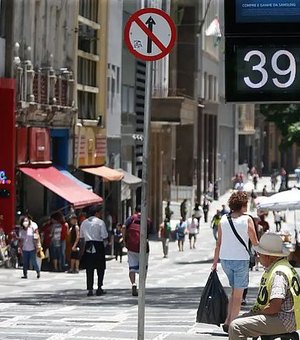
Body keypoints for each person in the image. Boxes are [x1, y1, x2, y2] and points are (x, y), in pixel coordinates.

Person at [229, 233, 300, 339]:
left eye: (259, 254)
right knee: (239, 320)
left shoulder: (278, 273)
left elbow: (274, 307)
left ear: (268, 256)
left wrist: (256, 314)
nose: (257, 257)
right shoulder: (284, 266)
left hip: (283, 320)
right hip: (289, 317)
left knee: (236, 326)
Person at [212, 191, 259, 333]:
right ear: (243, 205)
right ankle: (232, 325)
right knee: (238, 295)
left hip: (225, 260)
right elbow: (255, 241)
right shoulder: (247, 220)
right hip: (240, 260)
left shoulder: (223, 220)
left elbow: (218, 243)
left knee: (233, 291)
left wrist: (214, 263)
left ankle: (227, 321)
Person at [122, 206, 151, 297]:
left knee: (132, 267)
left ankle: (134, 283)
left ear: (135, 210)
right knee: (143, 267)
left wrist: (124, 239)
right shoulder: (147, 220)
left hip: (131, 246)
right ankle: (142, 286)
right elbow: (149, 233)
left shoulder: (131, 218)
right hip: (143, 247)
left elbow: (123, 227)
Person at [80, 205, 108, 297]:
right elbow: (104, 235)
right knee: (100, 267)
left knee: (89, 268)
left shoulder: (84, 223)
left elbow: (81, 237)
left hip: (88, 244)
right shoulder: (100, 222)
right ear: (96, 213)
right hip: (98, 245)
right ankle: (99, 287)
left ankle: (90, 289)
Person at [19, 215, 40, 279]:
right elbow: (21, 240)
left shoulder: (32, 229)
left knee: (34, 261)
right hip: (25, 248)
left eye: (26, 221)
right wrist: (20, 247)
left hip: (32, 248)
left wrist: (37, 245)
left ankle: (38, 272)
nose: (25, 222)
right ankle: (25, 274)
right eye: (24, 221)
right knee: (25, 262)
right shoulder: (21, 230)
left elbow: (37, 237)